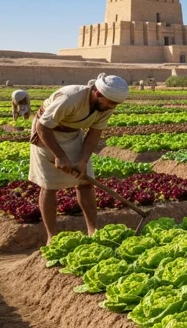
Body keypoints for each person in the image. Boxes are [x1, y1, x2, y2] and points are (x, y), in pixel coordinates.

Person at [29, 73, 128, 243]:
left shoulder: (106, 107)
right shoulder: (70, 98)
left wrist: (82, 161)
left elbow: (94, 134)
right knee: (49, 184)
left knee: (85, 182)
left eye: (116, 104)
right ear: (97, 94)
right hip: (47, 134)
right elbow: (42, 127)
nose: (113, 107)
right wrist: (59, 156)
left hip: (73, 135)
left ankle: (93, 230)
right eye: (111, 103)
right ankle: (51, 236)